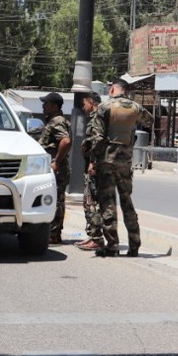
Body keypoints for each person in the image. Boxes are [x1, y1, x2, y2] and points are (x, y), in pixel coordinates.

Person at [86, 79, 153, 258]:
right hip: (126, 162)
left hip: (106, 162)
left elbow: (98, 138)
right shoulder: (136, 107)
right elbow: (149, 121)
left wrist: (92, 158)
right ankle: (134, 245)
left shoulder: (105, 107)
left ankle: (113, 246)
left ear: (113, 89)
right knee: (127, 203)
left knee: (108, 203)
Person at [36, 92, 71, 245]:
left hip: (57, 168)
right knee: (55, 199)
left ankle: (54, 234)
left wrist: (56, 162)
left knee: (55, 200)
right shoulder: (53, 120)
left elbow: (66, 141)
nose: (43, 106)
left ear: (55, 106)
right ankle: (52, 233)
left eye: (46, 104)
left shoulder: (57, 121)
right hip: (53, 166)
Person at [75, 92, 105, 252]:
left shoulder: (97, 119)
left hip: (95, 168)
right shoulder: (99, 117)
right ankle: (93, 236)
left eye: (84, 103)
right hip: (94, 166)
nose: (83, 107)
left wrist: (93, 162)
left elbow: (97, 142)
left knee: (91, 202)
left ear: (91, 102)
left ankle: (97, 239)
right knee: (91, 201)